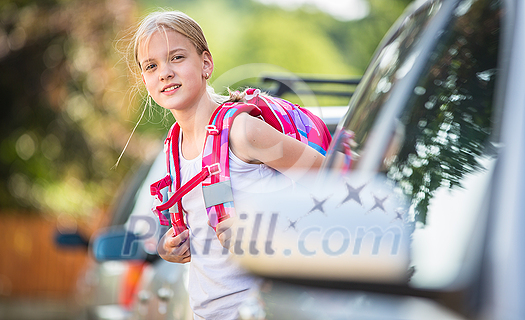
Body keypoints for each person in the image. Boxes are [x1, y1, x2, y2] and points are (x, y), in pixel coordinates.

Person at [130, 10, 324, 319]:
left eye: (177, 58)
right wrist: (168, 249)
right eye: (151, 66)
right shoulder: (173, 149)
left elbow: (333, 182)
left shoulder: (243, 131)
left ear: (205, 63)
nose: (164, 72)